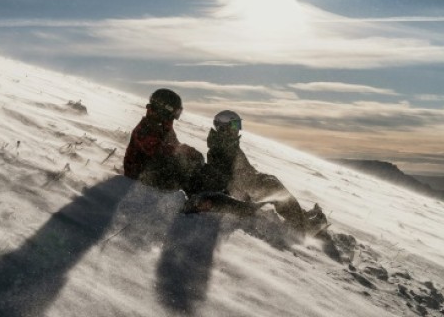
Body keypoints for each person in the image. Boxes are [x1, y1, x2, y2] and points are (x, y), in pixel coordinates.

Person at [186, 110, 328, 235]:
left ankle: (300, 217)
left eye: (238, 125)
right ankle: (303, 226)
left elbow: (242, 169)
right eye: (235, 125)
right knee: (274, 187)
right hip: (241, 190)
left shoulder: (226, 143)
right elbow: (229, 176)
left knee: (272, 181)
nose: (238, 129)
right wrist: (250, 186)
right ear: (224, 127)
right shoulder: (222, 146)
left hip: (246, 184)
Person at [124, 88, 203, 191]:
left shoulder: (164, 127)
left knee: (194, 168)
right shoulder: (146, 127)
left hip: (155, 171)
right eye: (176, 111)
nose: (176, 115)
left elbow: (174, 145)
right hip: (139, 177)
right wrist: (182, 152)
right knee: (179, 168)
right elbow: (158, 151)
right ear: (165, 108)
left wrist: (189, 152)